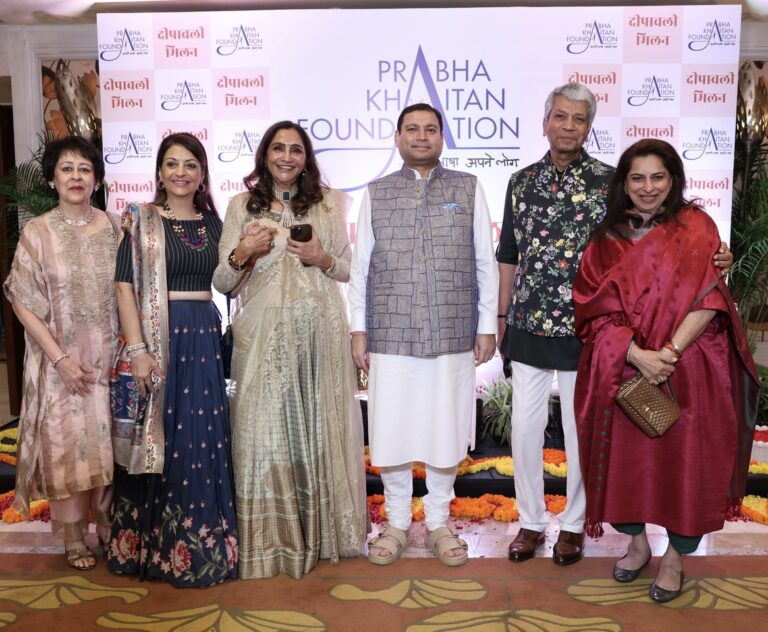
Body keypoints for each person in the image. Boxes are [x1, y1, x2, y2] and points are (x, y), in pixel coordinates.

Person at [497, 83, 733, 566]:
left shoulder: (610, 180)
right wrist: (500, 318)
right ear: (545, 122)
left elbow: (654, 245)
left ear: (588, 126)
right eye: (559, 117)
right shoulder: (520, 182)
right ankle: (530, 521)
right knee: (523, 428)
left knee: (581, 429)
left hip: (592, 332)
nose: (567, 127)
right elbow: (508, 257)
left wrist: (717, 260)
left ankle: (573, 525)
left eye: (578, 119)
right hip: (529, 324)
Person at [573, 138, 758, 603]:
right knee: (625, 466)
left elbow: (710, 298)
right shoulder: (605, 239)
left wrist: (668, 352)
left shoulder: (697, 227)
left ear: (673, 179)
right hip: (628, 370)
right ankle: (636, 545)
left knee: (685, 467)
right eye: (638, 178)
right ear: (624, 183)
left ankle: (675, 557)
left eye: (658, 177)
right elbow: (591, 310)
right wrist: (637, 355)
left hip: (691, 368)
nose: (648, 187)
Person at [212, 120, 368, 579]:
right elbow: (222, 280)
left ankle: (323, 536)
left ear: (306, 158)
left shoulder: (328, 204)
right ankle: (272, 542)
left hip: (320, 333)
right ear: (264, 155)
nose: (286, 157)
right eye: (277, 148)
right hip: (260, 336)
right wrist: (244, 250)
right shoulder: (242, 206)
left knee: (318, 430)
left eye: (295, 150)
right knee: (262, 431)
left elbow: (348, 270)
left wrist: (321, 258)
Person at [348, 103, 498, 567]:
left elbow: (484, 263)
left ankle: (437, 522)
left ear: (441, 138)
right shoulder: (375, 193)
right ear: (397, 138)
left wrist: (487, 325)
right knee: (391, 431)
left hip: (452, 332)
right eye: (411, 129)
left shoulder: (468, 189)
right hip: (389, 333)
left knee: (444, 429)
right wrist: (359, 328)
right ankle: (395, 521)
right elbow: (361, 268)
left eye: (430, 129)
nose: (421, 137)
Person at [106, 132, 238, 587]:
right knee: (161, 438)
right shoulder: (141, 220)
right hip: (159, 342)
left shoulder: (213, 224)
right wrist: (137, 349)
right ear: (159, 172)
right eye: (171, 164)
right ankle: (154, 549)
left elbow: (230, 282)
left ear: (202, 174)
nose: (180, 172)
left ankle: (201, 547)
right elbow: (124, 285)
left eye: (190, 165)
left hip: (202, 335)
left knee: (201, 439)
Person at [4, 136, 118, 570]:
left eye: (84, 169)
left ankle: (108, 526)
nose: (76, 177)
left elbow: (129, 292)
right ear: (52, 178)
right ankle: (73, 537)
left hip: (108, 360)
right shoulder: (38, 232)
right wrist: (59, 359)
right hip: (61, 365)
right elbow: (22, 302)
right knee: (68, 446)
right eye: (67, 169)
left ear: (96, 179)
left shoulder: (112, 227)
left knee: (108, 445)